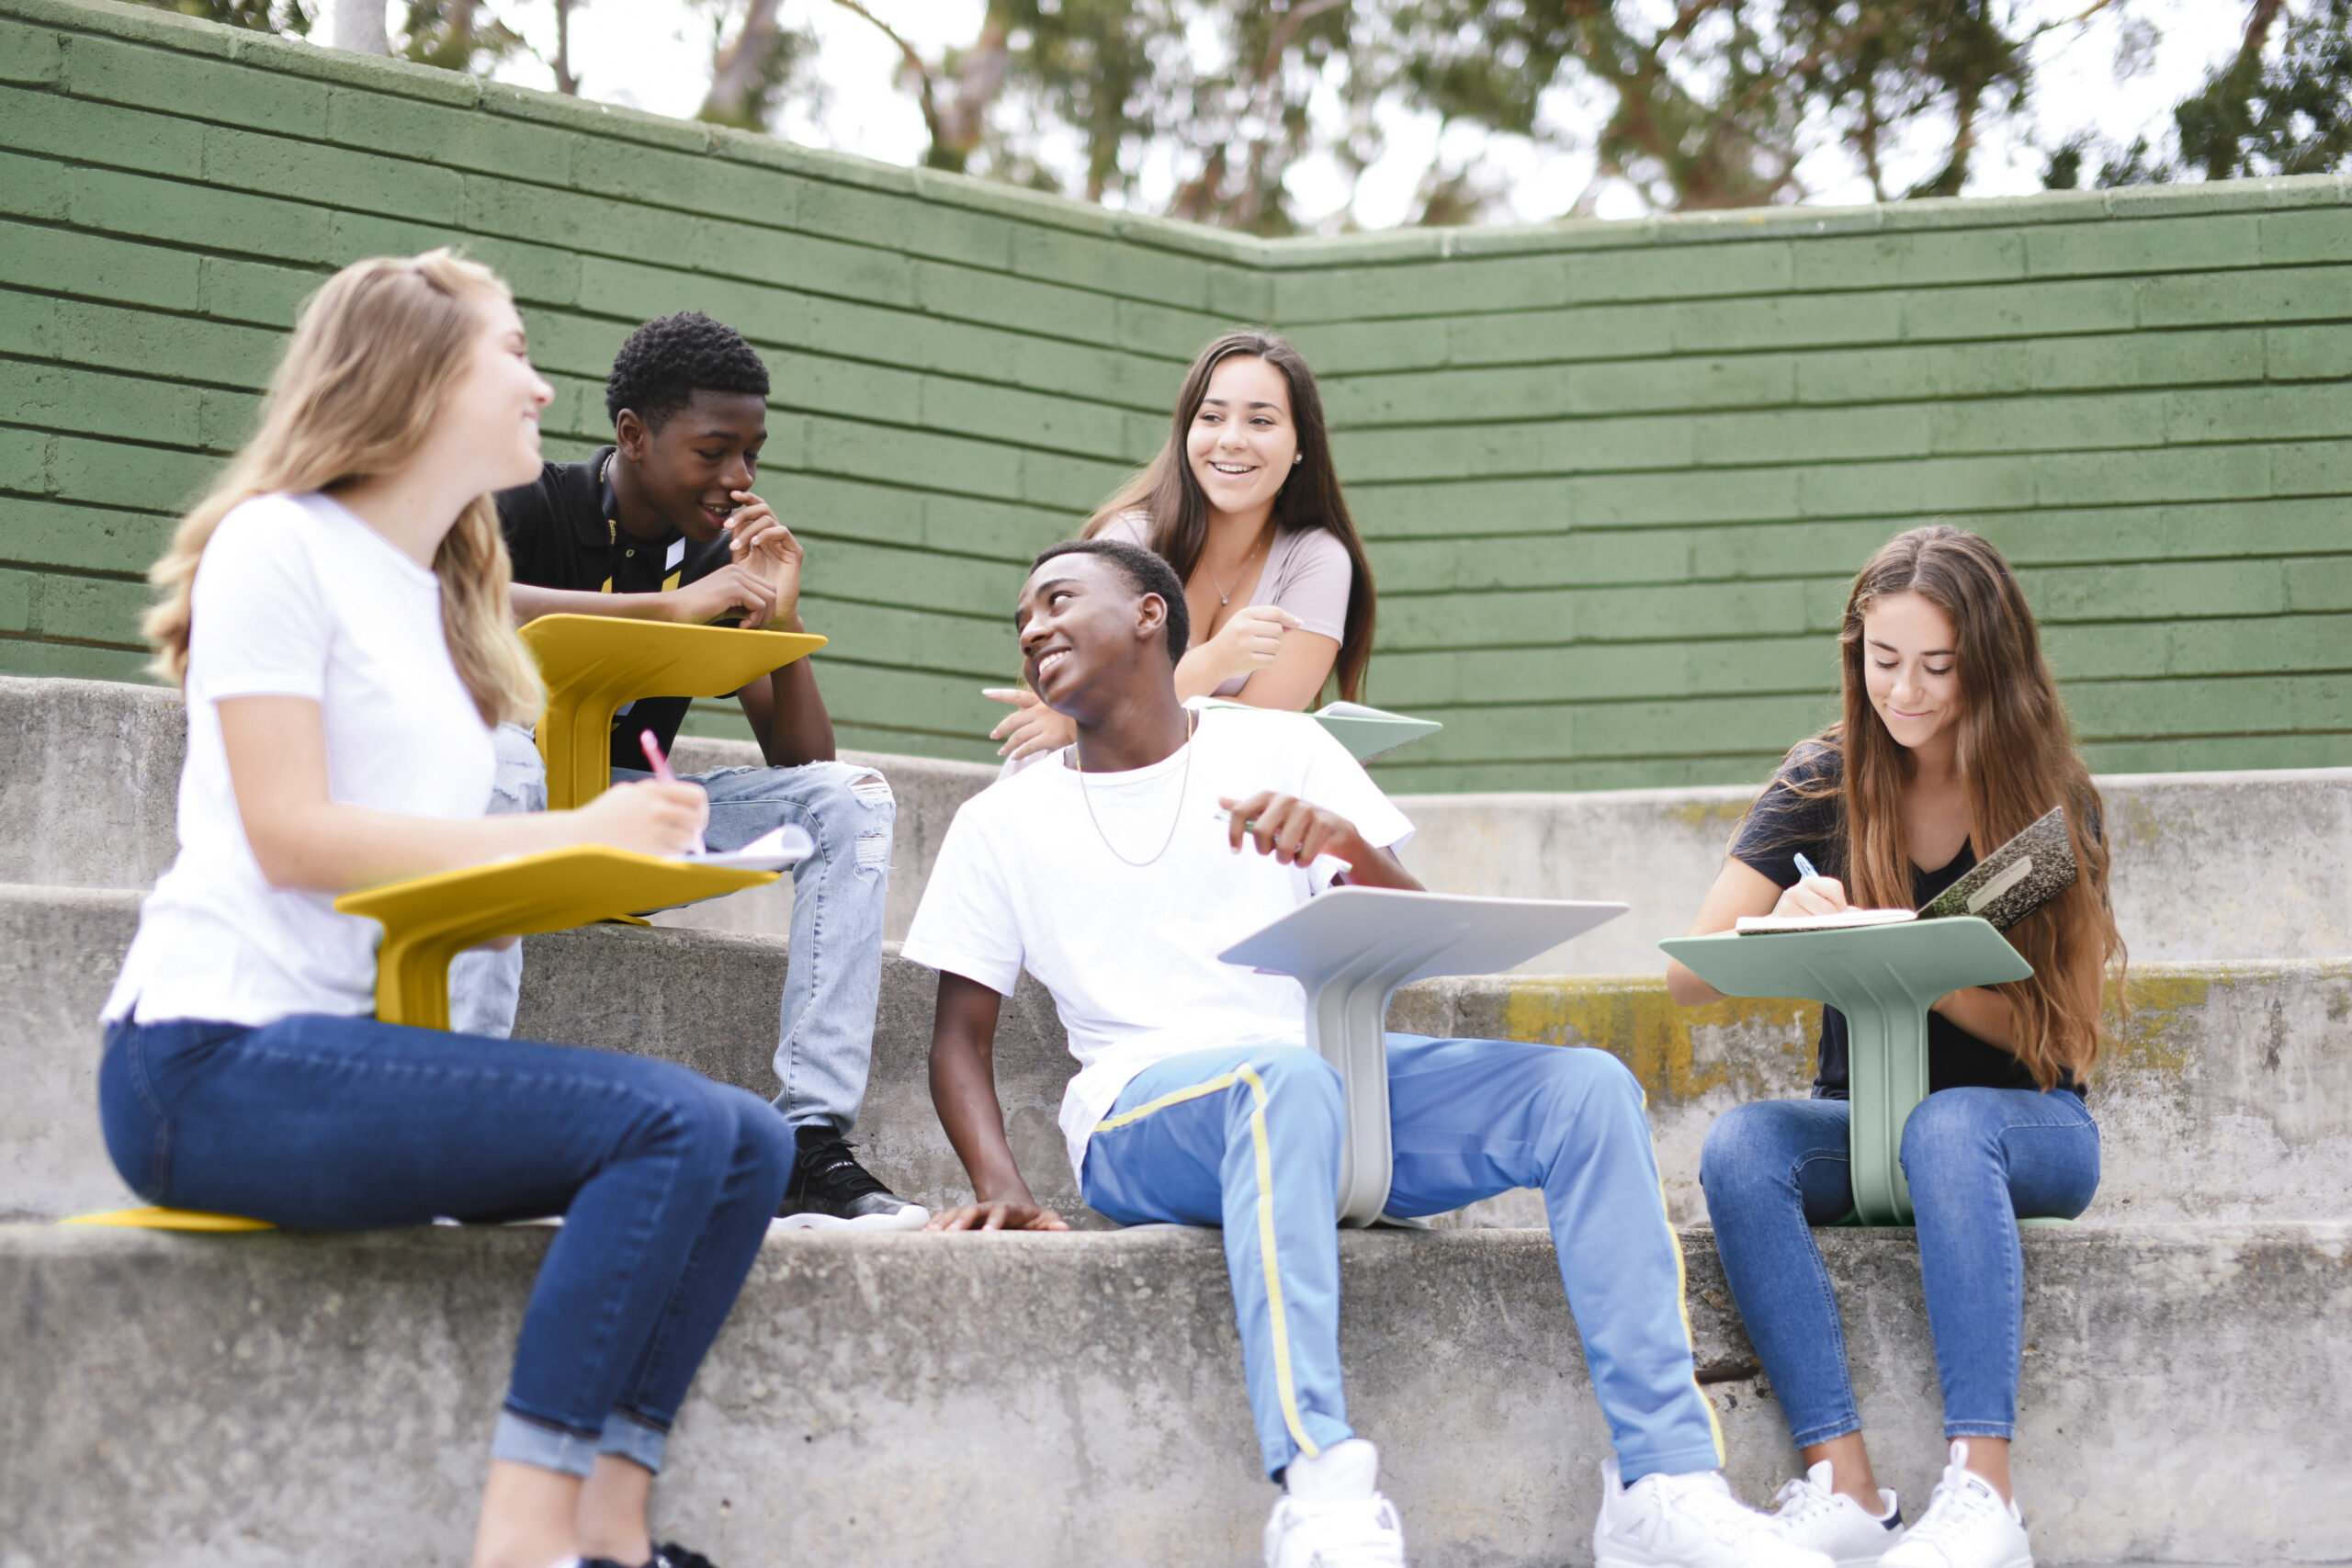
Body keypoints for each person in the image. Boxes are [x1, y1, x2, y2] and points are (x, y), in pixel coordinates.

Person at [905, 537, 1831, 1568]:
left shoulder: (1284, 750)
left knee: (1584, 1089)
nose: (1032, 628)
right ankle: (1321, 1487)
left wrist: (1345, 847)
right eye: (1021, 619)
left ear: (1150, 615)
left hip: (1326, 1084)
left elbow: (1425, 936)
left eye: (1056, 600)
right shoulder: (1002, 820)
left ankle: (1665, 1484)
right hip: (1143, 1116)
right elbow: (958, 1036)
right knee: (1283, 1082)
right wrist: (998, 1180)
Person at [97, 251, 782, 1568]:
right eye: (512, 350)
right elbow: (293, 835)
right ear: (415, 376)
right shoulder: (275, 545)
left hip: (343, 1047)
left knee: (747, 1141)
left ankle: (614, 1526)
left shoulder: (435, 597)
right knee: (669, 1118)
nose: (539, 381)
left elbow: (427, 865)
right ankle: (521, 1546)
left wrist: (606, 861)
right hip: (208, 1054)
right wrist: (563, 832)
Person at [1669, 525, 2123, 1568]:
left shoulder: (2044, 808)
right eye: (1883, 662)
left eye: (1937, 666)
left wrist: (1921, 961)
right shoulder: (1824, 778)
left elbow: (2065, 1039)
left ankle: (1984, 1494)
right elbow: (1689, 974)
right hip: (1863, 1119)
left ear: (1990, 667)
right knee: (1743, 1149)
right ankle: (1846, 1487)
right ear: (1854, 651)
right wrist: (1791, 915)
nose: (1905, 692)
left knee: (1949, 1124)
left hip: (2023, 1126)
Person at [447, 310, 921, 1231]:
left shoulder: (714, 556)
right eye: (714, 451)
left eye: (752, 453)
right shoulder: (526, 500)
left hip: (623, 819)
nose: (739, 478)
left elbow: (801, 760)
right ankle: (459, 1112)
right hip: (497, 813)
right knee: (500, 753)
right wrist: (667, 613)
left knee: (850, 799)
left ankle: (811, 1142)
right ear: (632, 433)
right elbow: (458, 599)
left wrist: (778, 620)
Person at [982, 330, 1377, 764]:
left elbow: (1263, 726)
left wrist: (1107, 711)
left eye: (1260, 421)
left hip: (1210, 797)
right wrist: (1216, 661)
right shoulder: (1128, 540)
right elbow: (1092, 706)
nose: (1231, 439)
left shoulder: (1317, 558)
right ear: (1185, 431)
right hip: (1080, 788)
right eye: (1211, 417)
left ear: (1302, 443)